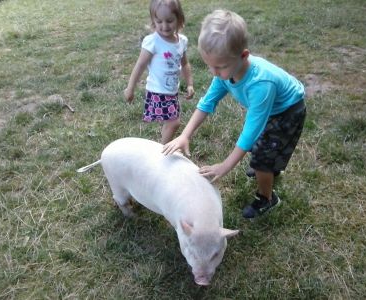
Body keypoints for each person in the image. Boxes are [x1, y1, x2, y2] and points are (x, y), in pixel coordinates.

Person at [162, 9, 306, 218]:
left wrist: (225, 166)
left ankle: (267, 198)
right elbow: (207, 103)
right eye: (209, 65)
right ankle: (267, 168)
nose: (214, 73)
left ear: (244, 55)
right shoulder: (224, 74)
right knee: (262, 150)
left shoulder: (261, 84)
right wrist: (185, 135)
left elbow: (250, 132)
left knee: (262, 159)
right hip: (271, 110)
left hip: (288, 112)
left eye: (219, 67)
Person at [124, 0, 195, 144]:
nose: (164, 26)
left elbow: (185, 64)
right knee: (174, 123)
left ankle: (161, 148)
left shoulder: (181, 41)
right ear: (153, 21)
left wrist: (189, 84)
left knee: (170, 124)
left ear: (179, 19)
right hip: (158, 92)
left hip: (172, 91)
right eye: (159, 21)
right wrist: (130, 89)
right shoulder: (153, 42)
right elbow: (140, 66)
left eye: (169, 21)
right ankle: (162, 152)